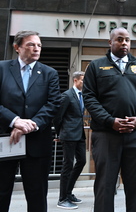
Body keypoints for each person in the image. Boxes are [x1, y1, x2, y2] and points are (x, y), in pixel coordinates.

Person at [82, 27, 136, 212]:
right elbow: (89, 97)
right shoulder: (95, 66)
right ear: (110, 42)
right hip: (106, 134)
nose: (124, 43)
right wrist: (109, 120)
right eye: (120, 39)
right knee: (105, 185)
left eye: (127, 40)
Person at [0, 30, 61, 212]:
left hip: (36, 143)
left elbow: (53, 104)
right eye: (31, 45)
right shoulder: (2, 69)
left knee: (37, 195)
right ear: (17, 47)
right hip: (5, 140)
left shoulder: (49, 73)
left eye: (39, 45)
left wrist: (29, 125)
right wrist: (15, 121)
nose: (36, 49)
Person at [54, 71, 86, 209]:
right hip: (68, 135)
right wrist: (59, 133)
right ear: (75, 80)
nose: (85, 83)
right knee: (67, 165)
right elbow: (57, 116)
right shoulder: (66, 96)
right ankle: (62, 199)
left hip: (79, 135)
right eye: (83, 80)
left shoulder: (83, 95)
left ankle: (68, 192)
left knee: (82, 161)